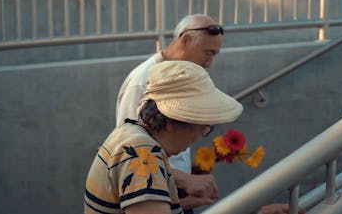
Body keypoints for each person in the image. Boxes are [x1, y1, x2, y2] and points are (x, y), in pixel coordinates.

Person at [84, 60, 243, 214]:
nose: (200, 136)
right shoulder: (144, 156)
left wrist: (184, 203)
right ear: (171, 122)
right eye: (203, 127)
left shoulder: (130, 131)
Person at [115, 14, 223, 212]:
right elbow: (128, 153)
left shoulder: (179, 76)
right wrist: (186, 180)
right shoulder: (142, 82)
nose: (210, 63)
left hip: (170, 187)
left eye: (214, 54)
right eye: (208, 53)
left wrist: (189, 173)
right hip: (151, 190)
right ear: (185, 40)